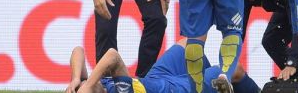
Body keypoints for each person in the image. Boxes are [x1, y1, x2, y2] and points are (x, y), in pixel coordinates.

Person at [67, 39, 223, 93]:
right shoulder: (123, 90)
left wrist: (76, 79)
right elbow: (112, 56)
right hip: (171, 89)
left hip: (156, 77)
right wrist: (89, 84)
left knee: (188, 44)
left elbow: (78, 51)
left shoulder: (92, 84)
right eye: (88, 87)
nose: (84, 84)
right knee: (225, 73)